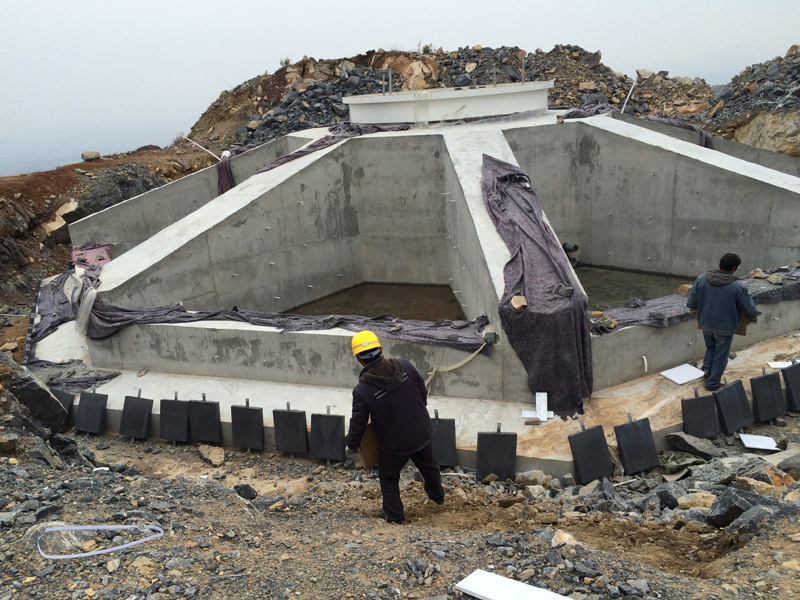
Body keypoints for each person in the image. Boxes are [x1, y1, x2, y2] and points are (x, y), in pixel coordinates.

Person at [345, 330, 444, 523]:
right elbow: (422, 392)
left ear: (358, 359)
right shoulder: (404, 365)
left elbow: (358, 423)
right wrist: (416, 413)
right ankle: (438, 496)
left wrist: (351, 444)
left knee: (388, 477)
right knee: (429, 465)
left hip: (395, 444)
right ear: (380, 349)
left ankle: (395, 517)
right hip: (421, 432)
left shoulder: (363, 391)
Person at [687, 253, 759, 391]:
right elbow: (748, 307)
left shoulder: (702, 279)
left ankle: (707, 371)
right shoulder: (737, 286)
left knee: (711, 348)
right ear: (733, 268)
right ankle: (713, 383)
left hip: (705, 323)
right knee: (721, 355)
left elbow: (692, 300)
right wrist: (753, 316)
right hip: (724, 327)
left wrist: (695, 310)